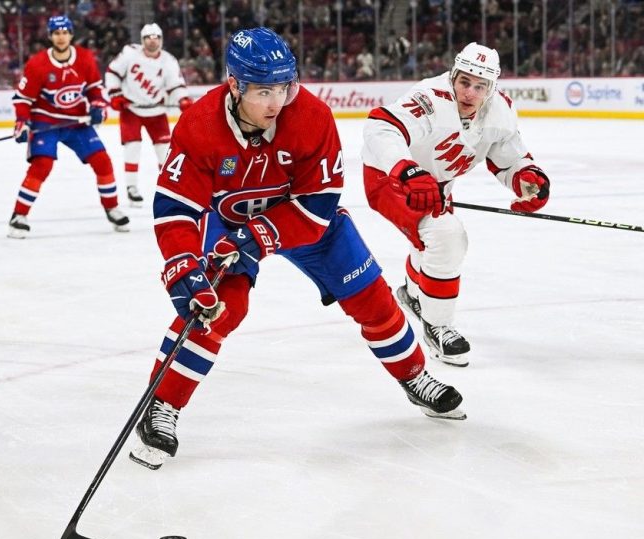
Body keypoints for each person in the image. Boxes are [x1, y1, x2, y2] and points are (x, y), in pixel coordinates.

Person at [128, 28, 466, 471]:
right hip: (226, 223)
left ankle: (414, 375)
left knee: (372, 297)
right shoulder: (199, 125)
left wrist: (260, 236)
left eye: (285, 86)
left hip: (303, 223)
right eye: (264, 91)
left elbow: (319, 204)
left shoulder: (311, 116)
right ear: (235, 85)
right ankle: (161, 403)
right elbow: (176, 207)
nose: (276, 102)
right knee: (217, 306)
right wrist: (181, 263)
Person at [362, 42, 550, 367]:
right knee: (447, 237)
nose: (470, 93)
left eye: (480, 86)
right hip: (391, 179)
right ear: (453, 76)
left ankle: (412, 292)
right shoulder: (429, 99)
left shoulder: (500, 110)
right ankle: (438, 326)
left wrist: (527, 180)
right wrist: (407, 170)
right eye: (464, 82)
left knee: (431, 242)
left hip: (435, 185)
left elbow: (509, 155)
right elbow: (381, 127)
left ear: (492, 87)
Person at [8, 15, 129, 239]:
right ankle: (18, 215)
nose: (61, 37)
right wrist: (22, 123)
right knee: (42, 165)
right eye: (56, 33)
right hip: (46, 122)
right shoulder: (38, 64)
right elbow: (23, 99)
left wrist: (98, 107)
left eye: (65, 32)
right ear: (50, 36)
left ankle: (112, 208)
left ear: (71, 34)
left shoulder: (85, 58)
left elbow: (94, 90)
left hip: (76, 122)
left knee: (102, 161)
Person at [104, 23, 193, 206]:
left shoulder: (168, 60)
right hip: (131, 109)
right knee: (133, 147)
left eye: (156, 38)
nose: (152, 42)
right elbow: (112, 73)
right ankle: (131, 188)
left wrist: (183, 99)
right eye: (148, 38)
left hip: (156, 111)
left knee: (164, 150)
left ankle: (169, 188)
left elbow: (175, 86)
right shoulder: (129, 53)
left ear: (161, 40)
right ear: (142, 40)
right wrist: (115, 94)